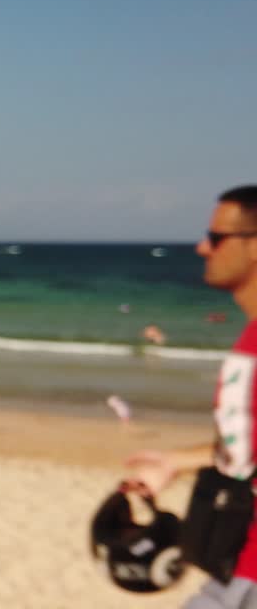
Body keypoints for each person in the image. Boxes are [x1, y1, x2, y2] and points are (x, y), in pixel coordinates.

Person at [125, 185, 257, 608]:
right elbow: (247, 447)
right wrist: (175, 461)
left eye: (216, 238)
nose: (202, 248)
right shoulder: (250, 336)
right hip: (236, 568)